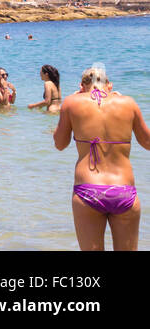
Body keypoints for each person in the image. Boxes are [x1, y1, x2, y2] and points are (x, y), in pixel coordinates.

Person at [54, 64, 150, 250]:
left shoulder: (71, 102)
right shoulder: (128, 103)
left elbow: (60, 144)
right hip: (124, 190)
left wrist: (71, 103)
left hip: (87, 191)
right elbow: (148, 143)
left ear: (82, 86)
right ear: (110, 85)